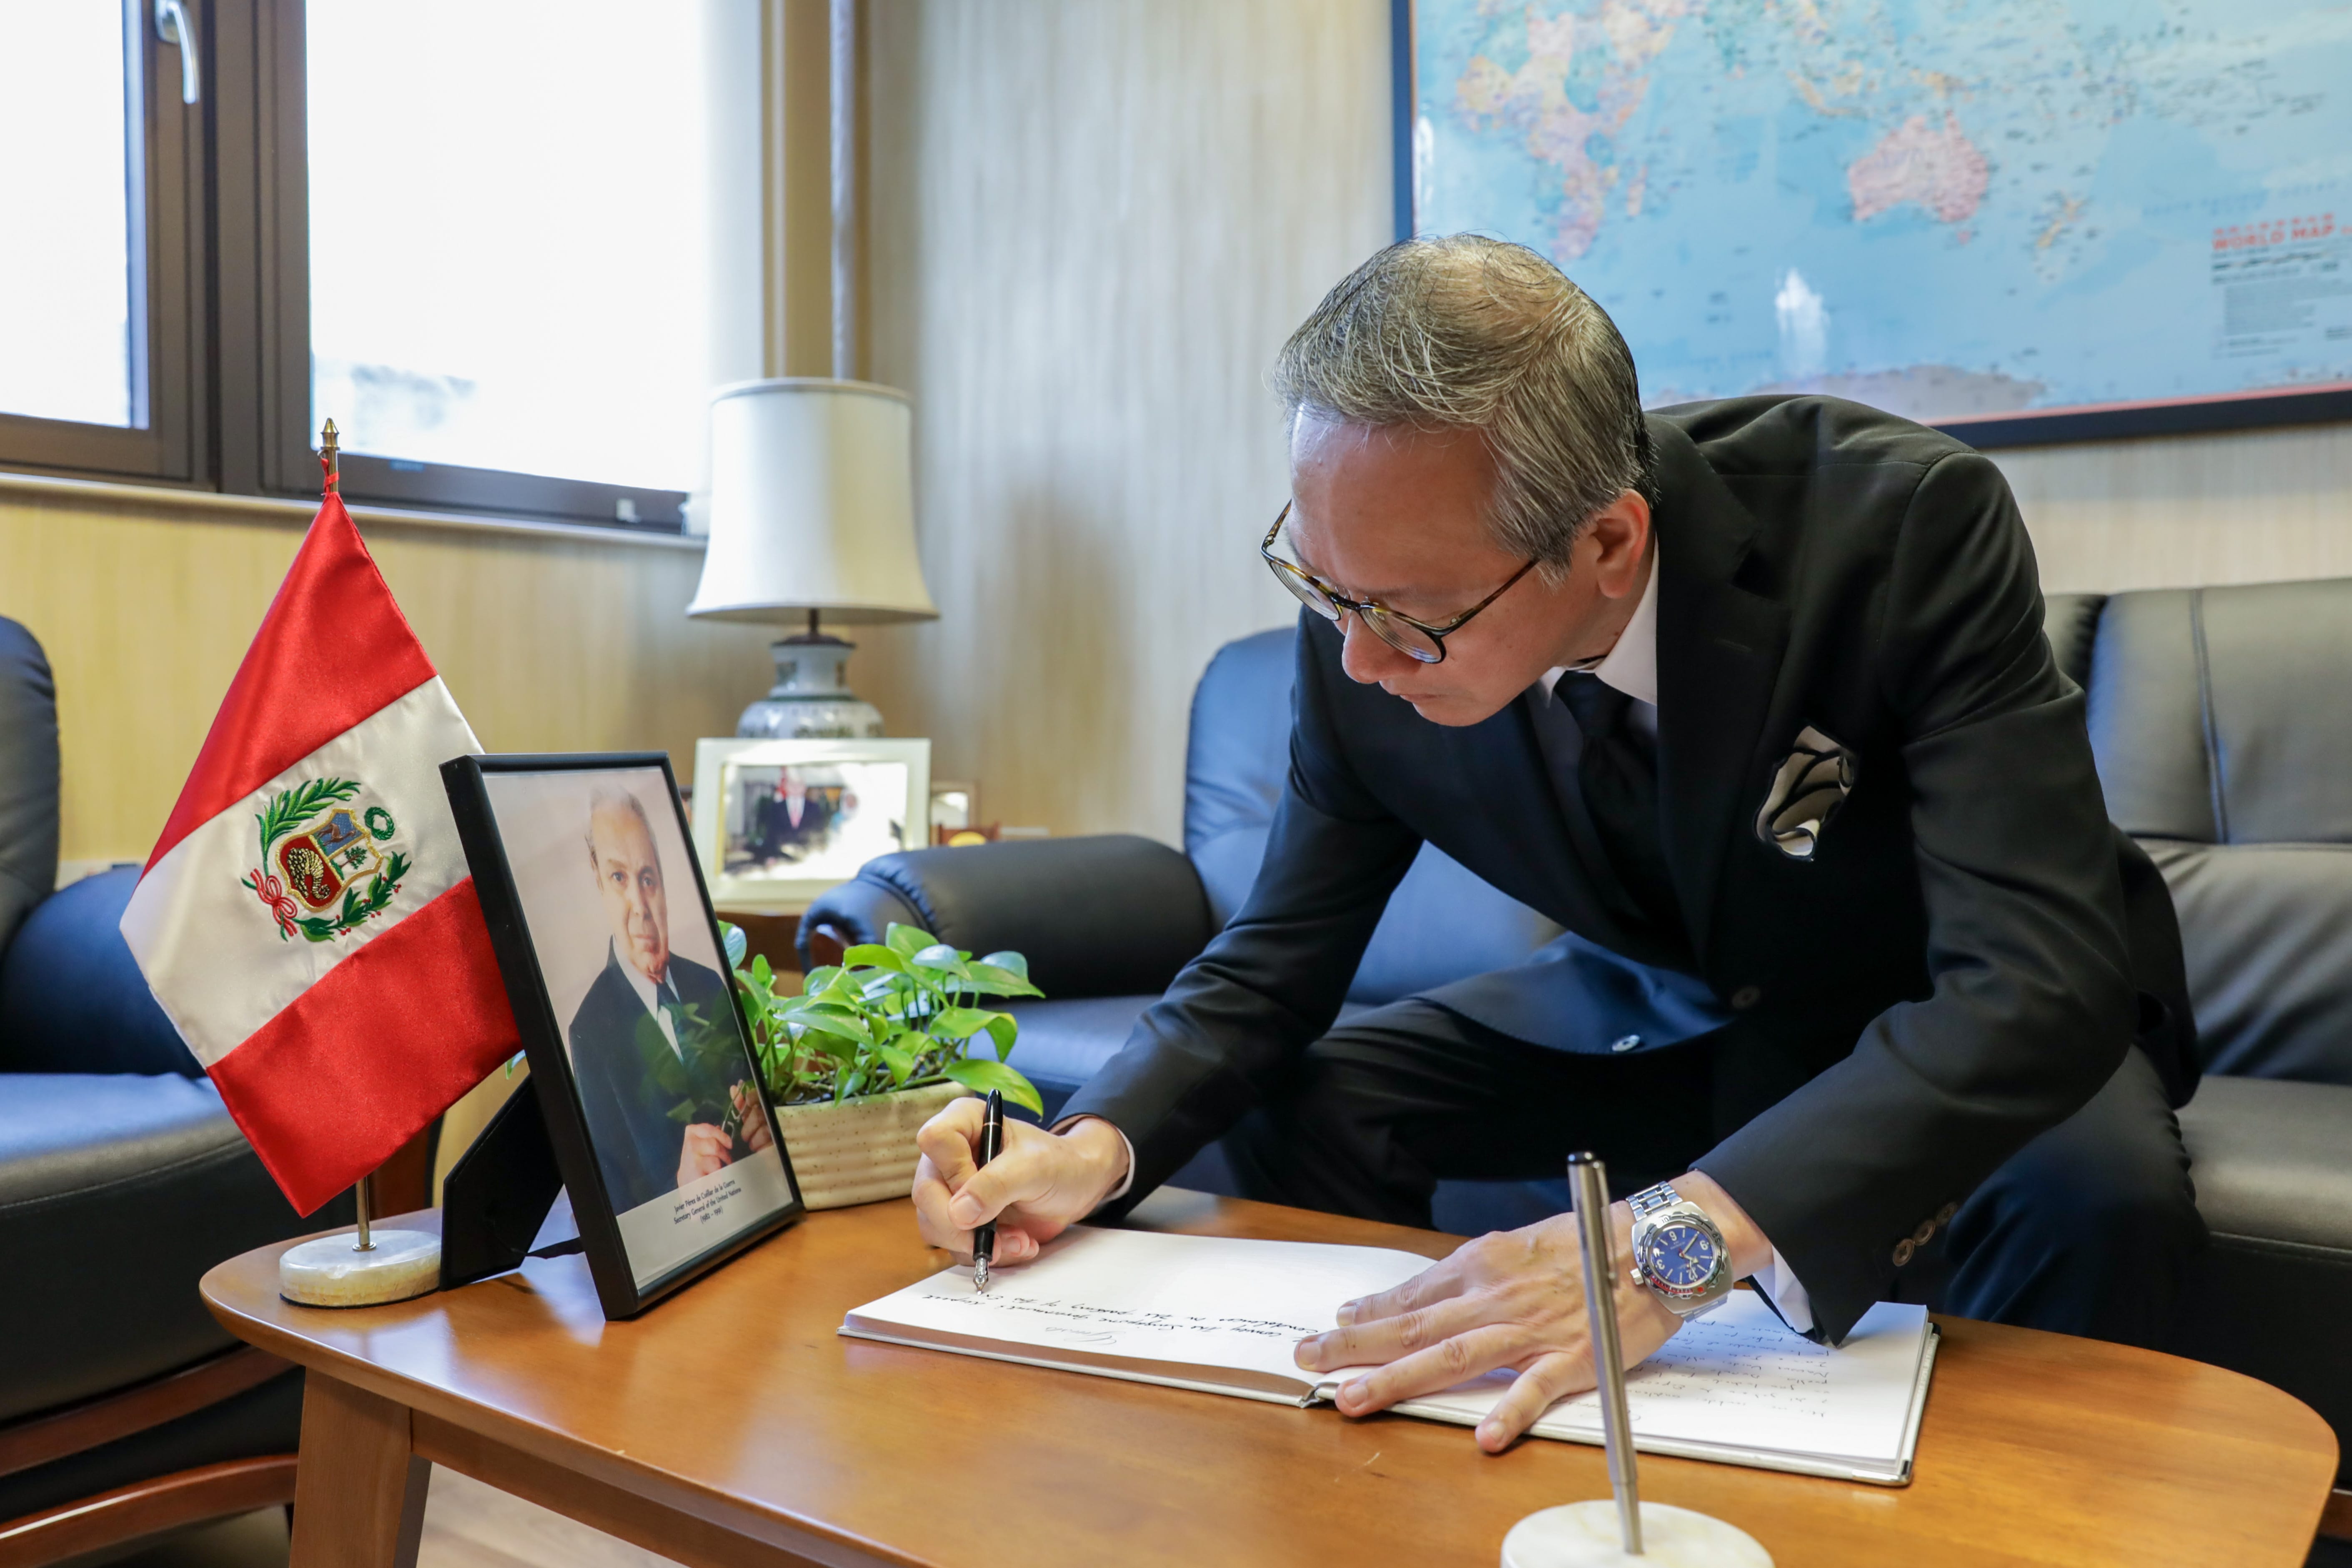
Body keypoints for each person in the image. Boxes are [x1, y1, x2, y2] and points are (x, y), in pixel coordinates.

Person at [912, 236, 2203, 1452]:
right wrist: (1090, 1147)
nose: (1359, 659)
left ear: (1605, 543)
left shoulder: (1903, 525)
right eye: (1321, 587)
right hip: (1680, 1011)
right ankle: (1406, 1440)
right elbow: (1276, 958)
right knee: (1328, 1098)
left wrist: (1668, 1246)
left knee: (2092, 1207)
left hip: (1953, 1009)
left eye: (1414, 617)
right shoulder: (1364, 603)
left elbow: (2034, 981)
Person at [567, 785, 768, 1212]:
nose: (640, 905)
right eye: (620, 878)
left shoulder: (711, 984)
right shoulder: (589, 1033)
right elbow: (617, 1215)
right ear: (597, 879)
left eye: (647, 878)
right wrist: (681, 1190)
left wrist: (764, 1135)